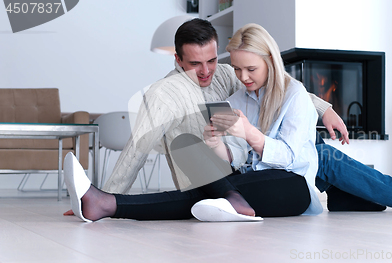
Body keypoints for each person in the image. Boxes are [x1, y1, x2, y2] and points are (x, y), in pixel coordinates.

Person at [64, 23, 322, 222]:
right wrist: (218, 147)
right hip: (239, 179)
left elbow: (289, 109)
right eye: (195, 63)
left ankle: (107, 203)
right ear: (178, 60)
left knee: (198, 196)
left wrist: (325, 108)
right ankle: (230, 199)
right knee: (185, 143)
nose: (207, 71)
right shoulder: (236, 94)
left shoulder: (242, 81)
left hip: (290, 184)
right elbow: (137, 150)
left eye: (212, 61)